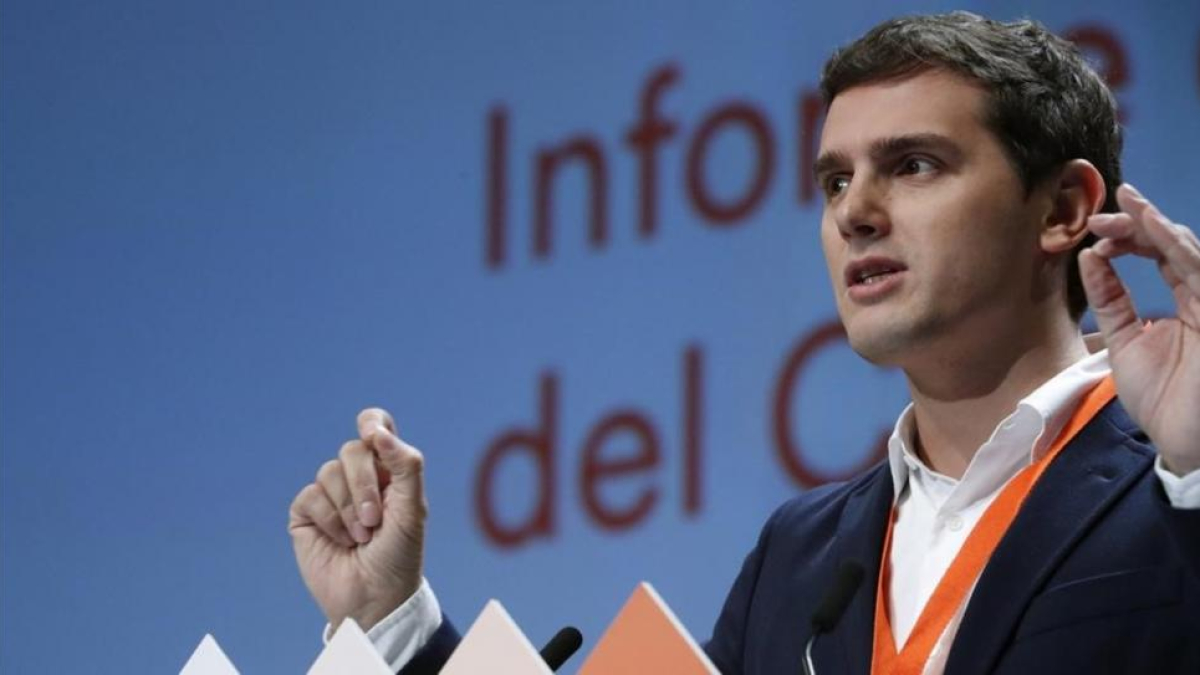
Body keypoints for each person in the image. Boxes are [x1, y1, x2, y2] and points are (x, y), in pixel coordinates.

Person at [288, 12, 1200, 674]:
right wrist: (391, 621)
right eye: (835, 180)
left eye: (913, 165)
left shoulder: (1172, 479)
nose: (855, 212)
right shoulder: (800, 556)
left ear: (1064, 209)